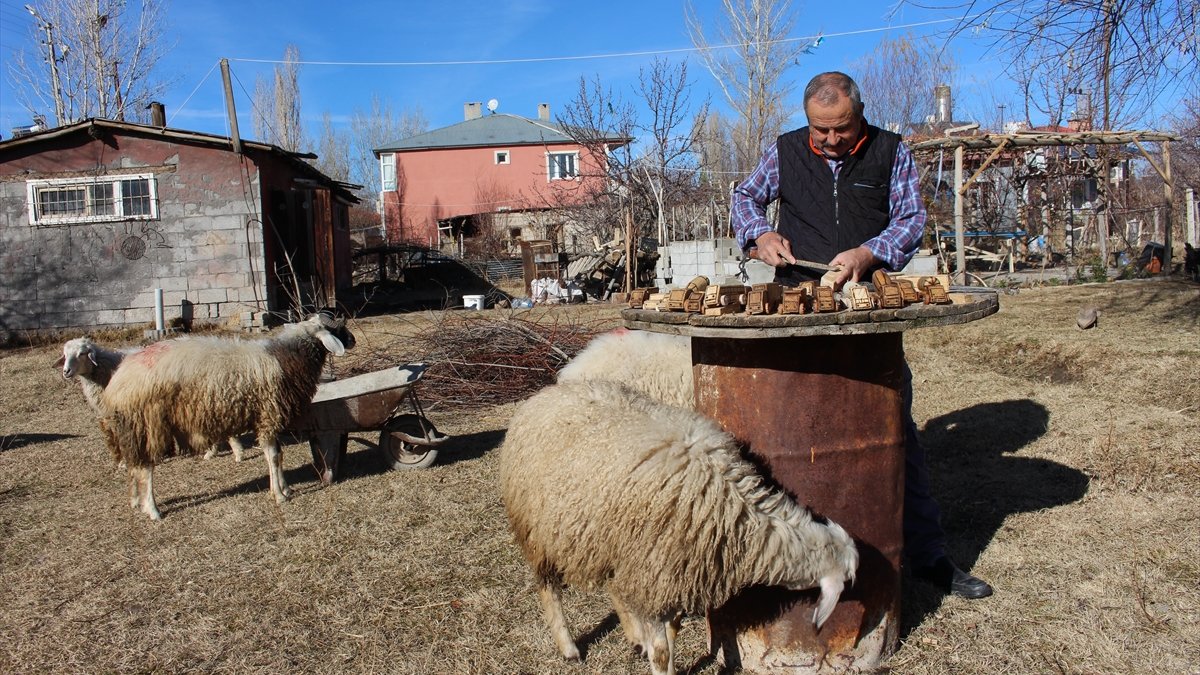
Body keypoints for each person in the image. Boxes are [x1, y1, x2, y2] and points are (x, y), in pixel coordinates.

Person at [729, 71, 993, 599]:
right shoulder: (783, 151)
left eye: (841, 130)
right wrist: (759, 235)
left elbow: (910, 220)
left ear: (861, 113)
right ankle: (787, 558)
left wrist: (865, 254)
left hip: (868, 307)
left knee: (894, 427)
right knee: (791, 430)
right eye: (819, 131)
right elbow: (744, 199)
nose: (830, 141)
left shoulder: (891, 152)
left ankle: (928, 555)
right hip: (798, 308)